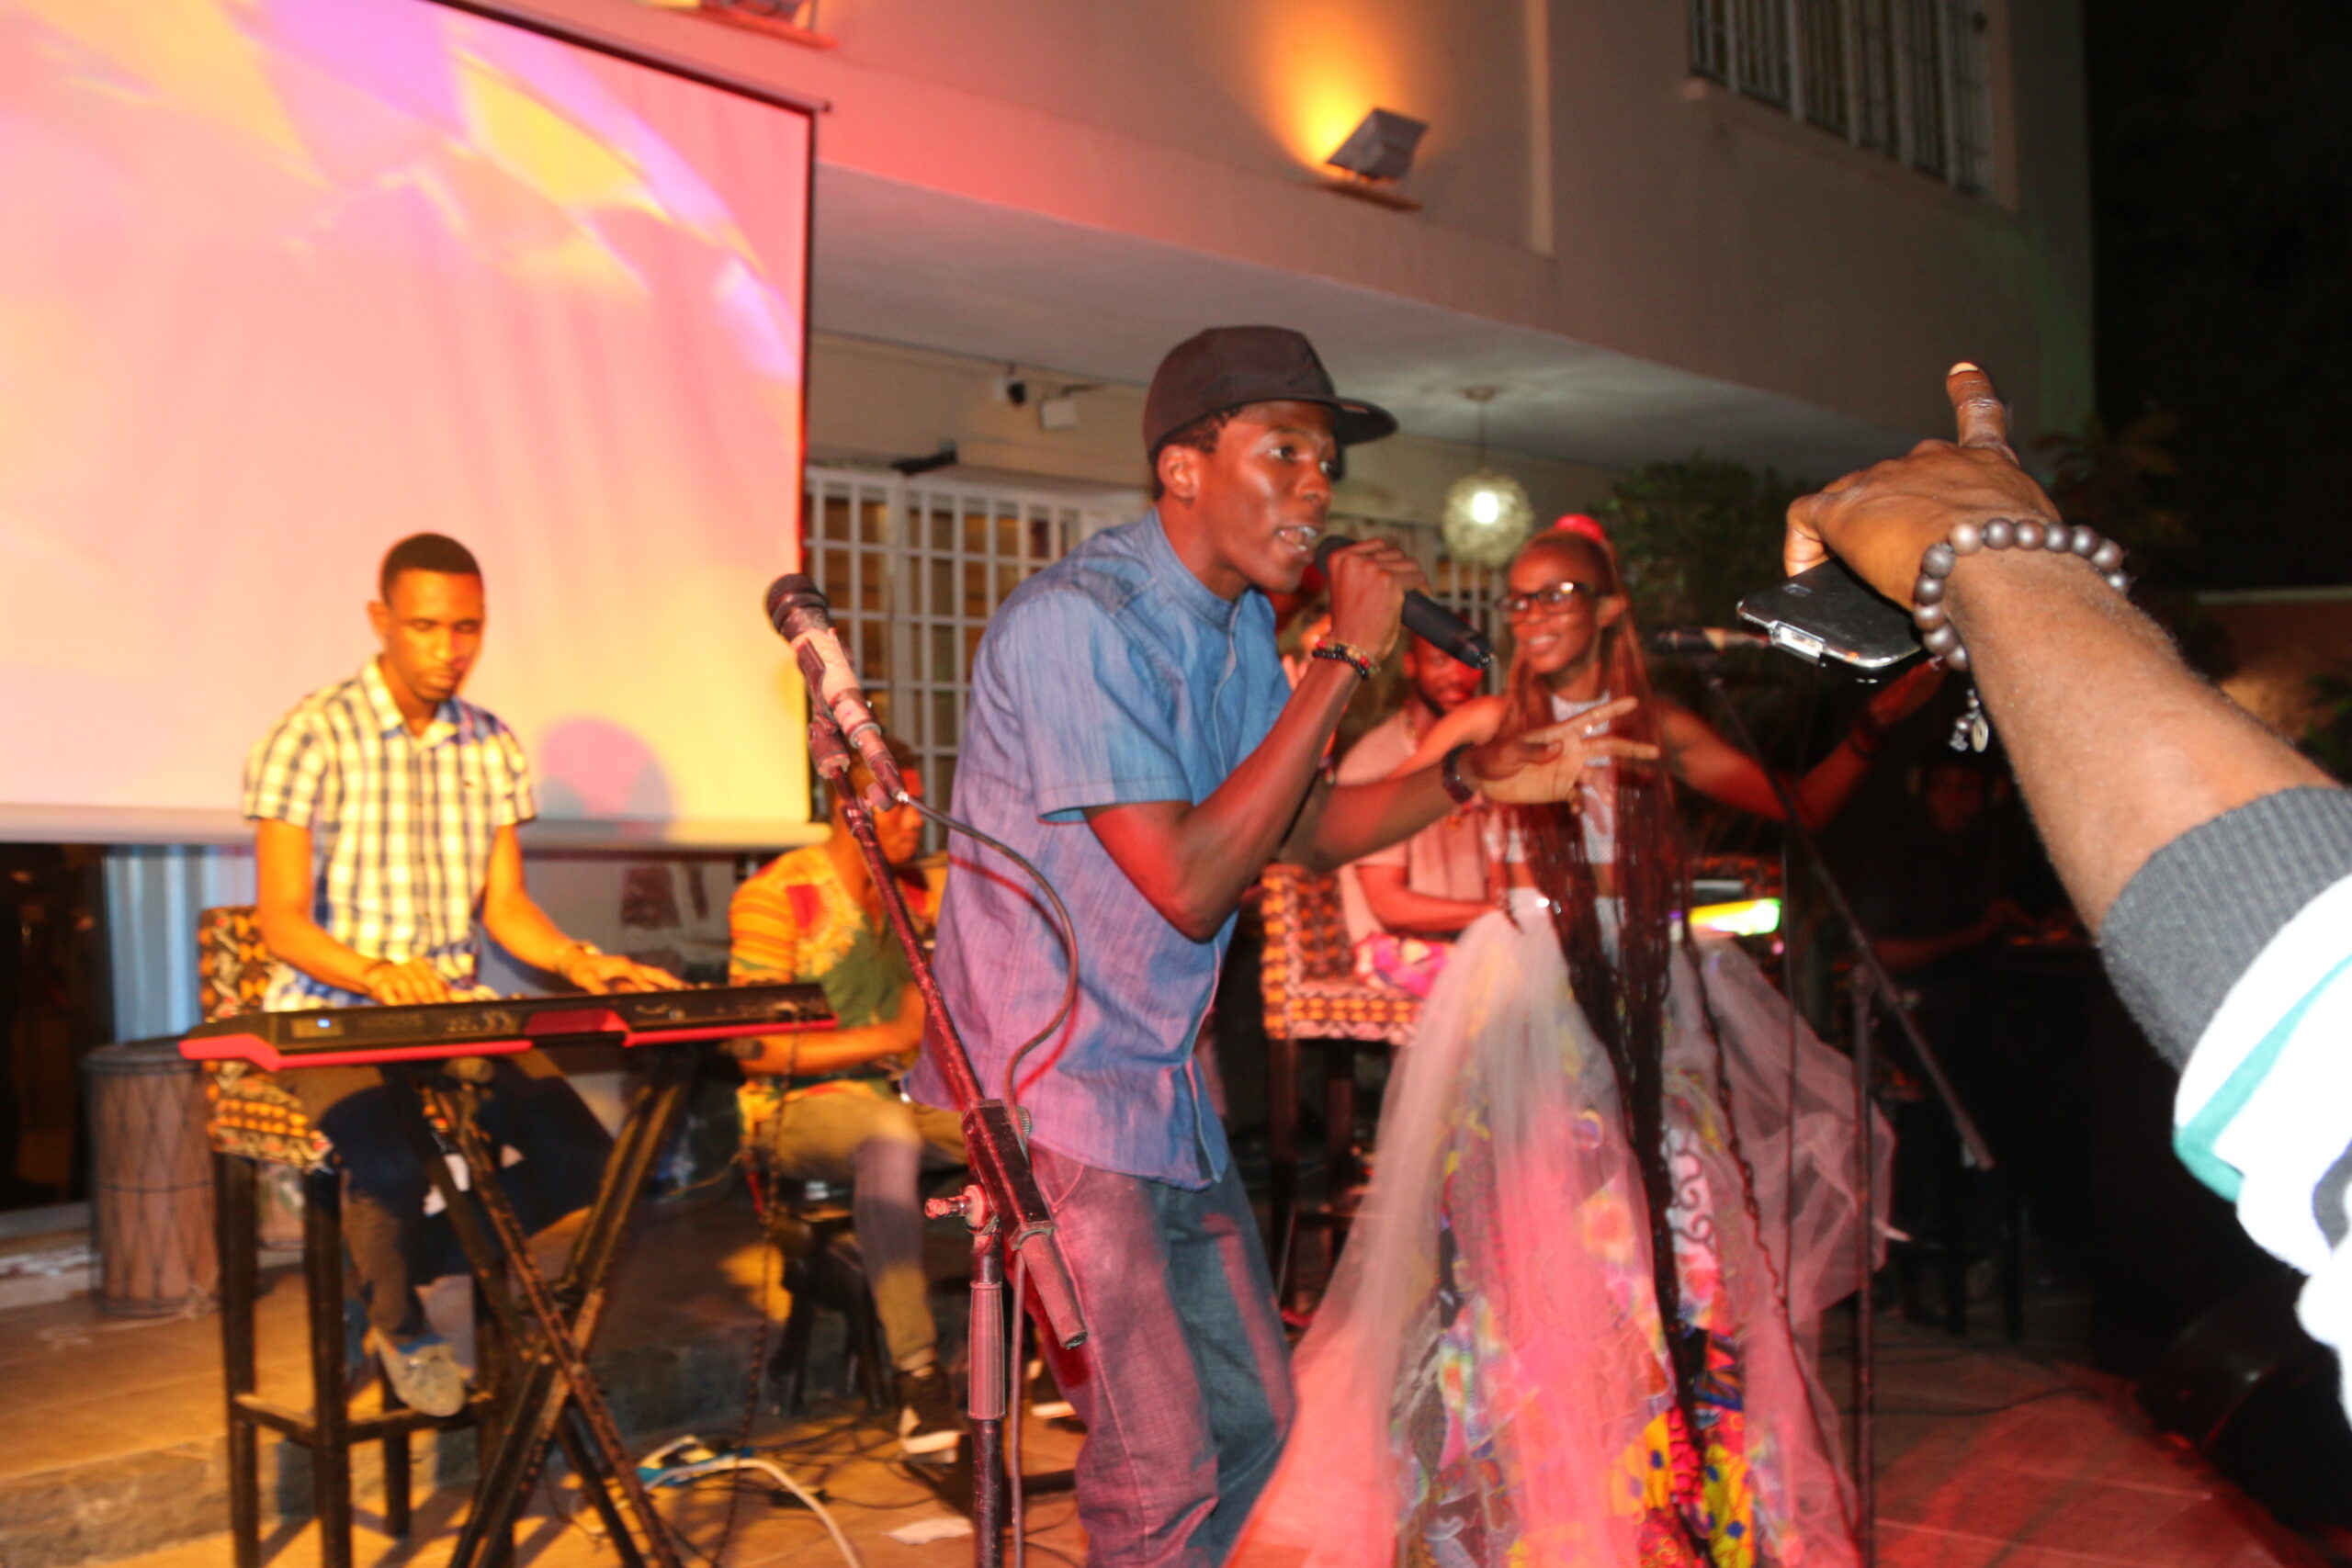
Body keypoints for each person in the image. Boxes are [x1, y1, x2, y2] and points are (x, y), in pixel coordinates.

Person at [908, 324, 1645, 1568]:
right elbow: (1192, 883)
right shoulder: (1079, 624)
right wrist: (1343, 658)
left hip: (1161, 1079)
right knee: (1158, 1461)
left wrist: (1468, 773)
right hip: (1052, 1084)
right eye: (1285, 452)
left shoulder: (1241, 628)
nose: (1317, 489)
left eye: (1327, 464)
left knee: (1254, 1416)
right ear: (1182, 467)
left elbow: (1296, 826)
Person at [1250, 515, 1938, 1567]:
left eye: (1556, 594)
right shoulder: (1485, 719)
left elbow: (1794, 805)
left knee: (1677, 1234)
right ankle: (1515, 1507)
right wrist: (1324, 693)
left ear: (1609, 608)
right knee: (1520, 1246)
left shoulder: (1654, 723)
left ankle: (1671, 1494)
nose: (1531, 616)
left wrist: (1875, 728)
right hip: (1527, 981)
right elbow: (1339, 816)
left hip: (1646, 983)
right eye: (1519, 599)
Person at [1782, 362, 2352, 1419]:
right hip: (1921, 1024)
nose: (1962, 795)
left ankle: (2043, 1235)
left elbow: (2320, 1027)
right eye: (1950, 782)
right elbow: (2317, 1008)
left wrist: (1996, 568)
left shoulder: (1992, 845)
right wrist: (2002, 571)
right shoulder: (1900, 849)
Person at [246, 533, 678, 1416]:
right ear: (381, 619)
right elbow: (278, 919)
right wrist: (375, 973)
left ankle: (389, 1272)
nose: (449, 649)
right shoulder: (309, 734)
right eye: (426, 626)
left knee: (587, 1160)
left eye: (467, 628)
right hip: (334, 1010)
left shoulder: (490, 744)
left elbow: (505, 906)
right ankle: (402, 1323)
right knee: (392, 1163)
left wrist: (579, 960)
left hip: (455, 1010)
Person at [728, 735, 967, 1456]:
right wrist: (891, 1035)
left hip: (898, 1095)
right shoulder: (775, 895)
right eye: (895, 804)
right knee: (887, 1133)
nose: (913, 819)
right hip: (795, 1109)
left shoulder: (912, 895)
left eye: (914, 803)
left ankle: (1052, 1353)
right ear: (848, 806)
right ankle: (918, 1378)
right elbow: (756, 1048)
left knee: (1024, 1125)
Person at [1334, 632, 1494, 996]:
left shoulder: (1481, 756)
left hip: (1470, 941)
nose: (1457, 675)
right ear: (1411, 665)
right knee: (1514, 984)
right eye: (1439, 660)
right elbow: (1388, 905)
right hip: (1393, 950)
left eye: (1470, 662)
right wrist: (1496, 913)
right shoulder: (1376, 761)